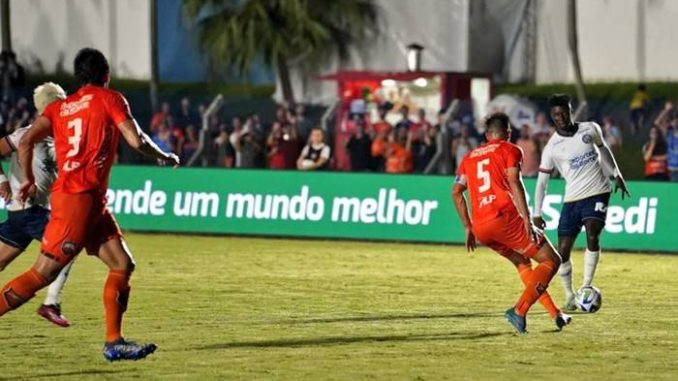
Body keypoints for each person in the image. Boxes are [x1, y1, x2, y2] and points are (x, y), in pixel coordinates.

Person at [7, 47, 179, 361]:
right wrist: (164, 156)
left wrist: (29, 177)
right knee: (41, 274)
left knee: (122, 264)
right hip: (77, 200)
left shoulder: (60, 109)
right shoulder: (111, 98)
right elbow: (136, 139)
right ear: (106, 74)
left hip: (91, 201)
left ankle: (114, 343)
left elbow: (28, 139)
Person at [452, 112, 567, 333]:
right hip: (503, 217)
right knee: (551, 261)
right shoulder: (510, 149)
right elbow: (515, 182)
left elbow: (456, 192)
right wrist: (527, 219)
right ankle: (519, 311)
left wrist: (467, 226)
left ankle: (556, 313)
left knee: (523, 263)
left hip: (481, 228)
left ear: (486, 135)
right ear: (509, 132)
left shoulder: (469, 157)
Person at [533, 94, 630, 311]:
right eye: (556, 114)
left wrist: (616, 173)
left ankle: (586, 286)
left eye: (564, 112)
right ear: (552, 117)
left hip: (598, 191)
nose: (561, 117)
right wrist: (536, 213)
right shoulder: (552, 148)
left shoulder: (590, 128)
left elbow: (603, 148)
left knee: (592, 232)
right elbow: (542, 183)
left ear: (570, 111)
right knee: (563, 251)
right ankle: (569, 295)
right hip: (572, 198)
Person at [0, 82, 73, 327]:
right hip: (30, 212)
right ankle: (50, 303)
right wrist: (2, 180)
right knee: (69, 245)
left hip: (25, 214)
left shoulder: (61, 138)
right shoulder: (27, 134)